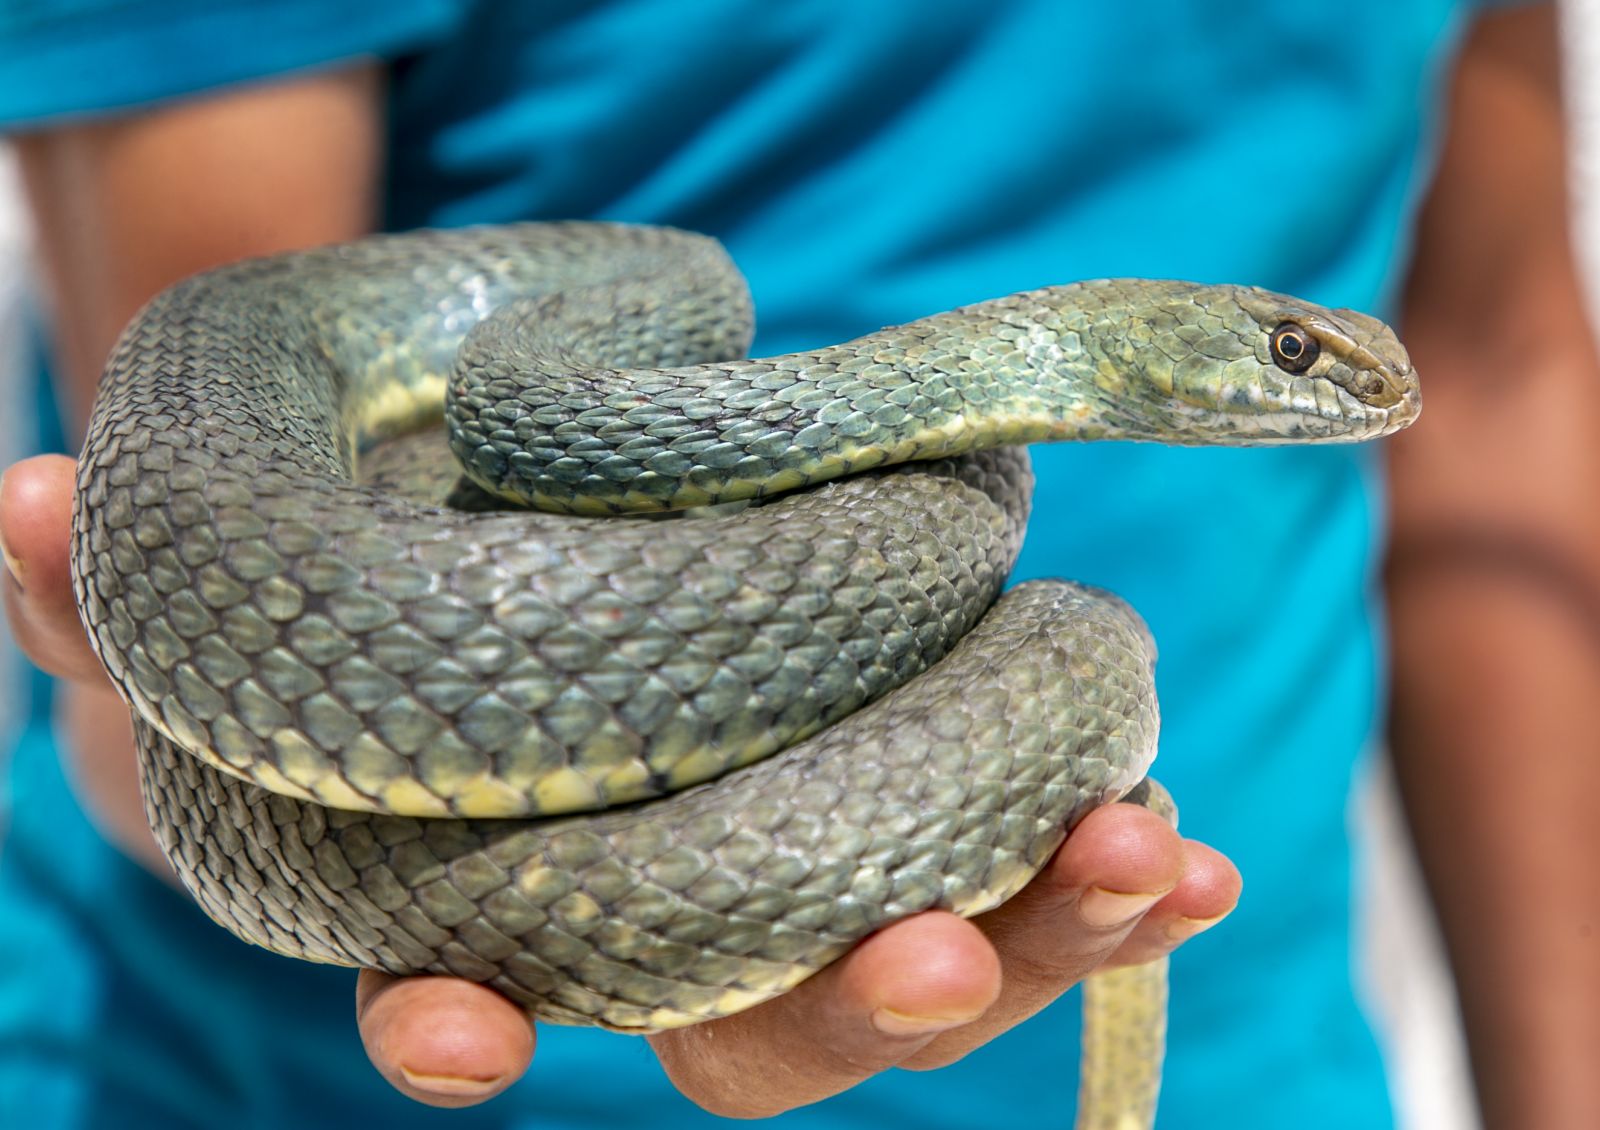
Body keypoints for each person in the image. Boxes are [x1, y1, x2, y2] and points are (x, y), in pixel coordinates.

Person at [0, 1, 1594, 1127]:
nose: (1338, 387)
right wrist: (200, 684)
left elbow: (1499, 375)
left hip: (1268, 1062)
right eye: (1293, 357)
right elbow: (216, 552)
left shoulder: (961, 448)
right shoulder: (624, 341)